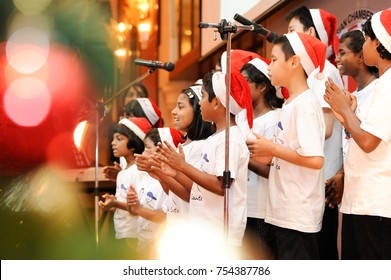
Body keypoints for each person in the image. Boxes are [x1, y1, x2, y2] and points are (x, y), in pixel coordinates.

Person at [247, 32, 326, 259]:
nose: (268, 65)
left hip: (297, 215)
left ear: (294, 62)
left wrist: (272, 149)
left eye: (273, 59)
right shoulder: (291, 103)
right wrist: (266, 150)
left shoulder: (305, 104)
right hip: (284, 211)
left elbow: (315, 159)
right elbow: (288, 151)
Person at [156, 70, 252, 255]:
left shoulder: (230, 139)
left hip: (221, 233)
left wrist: (182, 166)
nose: (200, 102)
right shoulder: (215, 138)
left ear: (216, 103)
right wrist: (175, 172)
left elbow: (220, 186)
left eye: (204, 97)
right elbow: (198, 188)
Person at [323, 10, 391, 260]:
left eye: (366, 39)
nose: (364, 45)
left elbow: (369, 141)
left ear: (380, 43)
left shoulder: (389, 85)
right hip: (360, 200)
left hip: (376, 205)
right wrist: (347, 112)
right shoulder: (382, 84)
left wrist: (343, 110)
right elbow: (364, 132)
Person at [287, 6, 344, 259]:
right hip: (312, 181)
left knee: (321, 255)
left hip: (323, 182)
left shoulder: (323, 72)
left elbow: (327, 127)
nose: (286, 37)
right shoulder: (311, 73)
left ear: (310, 32)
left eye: (291, 31)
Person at [325, 30, 378, 209]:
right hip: (351, 198)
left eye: (342, 53)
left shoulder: (379, 90)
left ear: (361, 56)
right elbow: (351, 145)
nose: (337, 59)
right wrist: (341, 174)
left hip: (373, 199)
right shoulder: (350, 97)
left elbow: (371, 142)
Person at [239, 57, 283, 259]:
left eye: (245, 81)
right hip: (240, 207)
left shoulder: (273, 119)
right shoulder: (240, 118)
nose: (240, 87)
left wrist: (242, 158)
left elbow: (272, 170)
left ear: (263, 86)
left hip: (261, 209)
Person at [98, 117, 152, 259]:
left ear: (133, 144)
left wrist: (115, 203)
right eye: (113, 138)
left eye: (119, 139)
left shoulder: (138, 171)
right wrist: (113, 200)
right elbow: (125, 200)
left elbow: (137, 207)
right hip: (121, 231)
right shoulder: (123, 172)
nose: (113, 143)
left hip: (132, 233)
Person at [126, 127, 184, 259]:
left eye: (147, 147)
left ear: (160, 150)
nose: (143, 151)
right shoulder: (145, 176)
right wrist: (132, 204)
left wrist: (138, 209)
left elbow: (165, 217)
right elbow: (133, 210)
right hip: (143, 243)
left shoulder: (168, 180)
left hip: (158, 246)